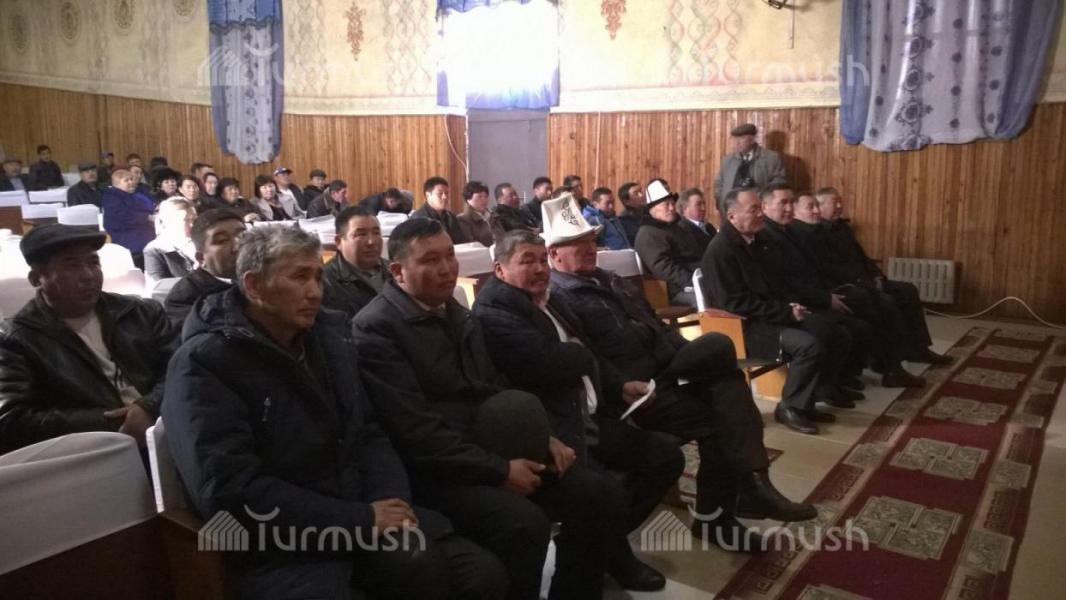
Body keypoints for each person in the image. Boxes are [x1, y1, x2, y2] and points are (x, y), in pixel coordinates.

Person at [163, 225, 506, 600]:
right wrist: (359, 520)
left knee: (481, 575)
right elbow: (229, 490)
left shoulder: (328, 337)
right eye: (299, 277)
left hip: (359, 507)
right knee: (414, 568)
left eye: (317, 277)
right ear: (254, 285)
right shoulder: (205, 363)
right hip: (283, 543)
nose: (315, 291)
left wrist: (390, 503)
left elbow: (370, 432)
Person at [353, 218, 627, 599]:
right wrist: (499, 470)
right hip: (434, 473)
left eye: (450, 256)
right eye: (430, 260)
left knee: (597, 493)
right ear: (398, 271)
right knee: (524, 524)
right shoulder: (376, 328)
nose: (447, 268)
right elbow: (414, 430)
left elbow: (491, 386)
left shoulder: (455, 312)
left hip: (487, 449)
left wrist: (542, 436)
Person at [545, 197, 817, 548]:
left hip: (668, 370)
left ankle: (742, 496)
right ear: (554, 253)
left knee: (723, 372)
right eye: (577, 243)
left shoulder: (611, 280)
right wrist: (621, 385)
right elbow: (586, 357)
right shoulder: (559, 297)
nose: (589, 248)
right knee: (723, 400)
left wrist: (682, 351)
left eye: (591, 240)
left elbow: (657, 325)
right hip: (637, 391)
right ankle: (734, 504)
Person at [474, 228, 681, 589]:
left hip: (587, 416)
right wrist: (578, 353)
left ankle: (605, 543)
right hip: (552, 428)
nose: (540, 269)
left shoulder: (549, 298)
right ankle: (599, 556)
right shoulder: (493, 311)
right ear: (500, 269)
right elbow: (552, 361)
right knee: (600, 495)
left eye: (542, 260)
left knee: (665, 457)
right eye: (527, 261)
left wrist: (618, 384)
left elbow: (588, 350)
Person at [0, 224, 177, 454]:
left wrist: (148, 407)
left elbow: (178, 369)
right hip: (93, 452)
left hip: (167, 426)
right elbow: (12, 420)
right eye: (71, 265)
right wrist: (114, 421)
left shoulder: (141, 312)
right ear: (36, 278)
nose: (88, 275)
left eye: (93, 262)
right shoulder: (16, 339)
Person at [702, 189, 855, 435]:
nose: (761, 214)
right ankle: (789, 407)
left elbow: (779, 284)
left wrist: (791, 306)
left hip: (771, 316)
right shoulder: (721, 251)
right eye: (753, 210)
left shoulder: (760, 240)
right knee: (809, 346)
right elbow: (735, 304)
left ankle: (809, 400)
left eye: (760, 208)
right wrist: (784, 313)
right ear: (732, 216)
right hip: (745, 326)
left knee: (835, 333)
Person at [759, 185, 882, 394]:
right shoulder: (767, 236)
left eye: (790, 203)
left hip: (808, 296)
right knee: (837, 331)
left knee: (861, 323)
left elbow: (812, 271)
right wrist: (824, 299)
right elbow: (785, 283)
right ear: (765, 206)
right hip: (791, 304)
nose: (788, 209)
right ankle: (826, 387)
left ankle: (842, 379)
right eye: (783, 203)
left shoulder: (789, 231)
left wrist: (826, 295)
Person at [812, 187, 951, 366]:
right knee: (886, 302)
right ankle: (890, 363)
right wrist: (865, 281)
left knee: (908, 290)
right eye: (834, 202)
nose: (840, 206)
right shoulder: (817, 233)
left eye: (840, 201)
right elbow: (831, 269)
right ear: (820, 206)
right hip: (849, 285)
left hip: (867, 280)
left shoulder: (843, 228)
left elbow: (862, 257)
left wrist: (877, 275)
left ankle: (918, 349)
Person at [164, 208, 245, 327]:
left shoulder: (264, 275)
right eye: (222, 240)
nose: (239, 245)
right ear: (201, 258)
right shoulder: (183, 298)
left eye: (243, 236)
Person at [634, 180, 706, 307]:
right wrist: (696, 282)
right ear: (652, 209)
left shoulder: (678, 227)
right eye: (666, 204)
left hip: (699, 278)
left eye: (672, 203)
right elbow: (665, 269)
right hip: (676, 289)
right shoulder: (648, 234)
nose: (672, 208)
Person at [322, 206, 391, 319]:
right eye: (361, 234)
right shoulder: (324, 280)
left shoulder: (394, 270)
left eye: (376, 233)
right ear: (338, 242)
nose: (371, 242)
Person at [712, 123, 787, 215]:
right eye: (734, 139)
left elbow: (779, 183)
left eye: (741, 138)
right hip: (730, 209)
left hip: (759, 209)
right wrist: (720, 200)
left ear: (752, 140)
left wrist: (763, 196)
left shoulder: (771, 158)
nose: (737, 143)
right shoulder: (727, 160)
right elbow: (719, 183)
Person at [102, 169, 157, 269]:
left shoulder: (136, 194)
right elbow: (123, 216)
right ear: (117, 183)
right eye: (126, 180)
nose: (131, 182)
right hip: (125, 234)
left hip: (142, 230)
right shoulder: (111, 197)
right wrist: (147, 217)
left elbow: (150, 207)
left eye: (131, 179)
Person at [143, 198, 197, 285]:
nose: (192, 225)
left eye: (194, 219)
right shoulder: (154, 250)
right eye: (186, 220)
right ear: (169, 221)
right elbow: (160, 286)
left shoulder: (201, 243)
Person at [409, 176, 470, 244]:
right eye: (440, 193)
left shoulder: (450, 217)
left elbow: (461, 241)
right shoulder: (419, 218)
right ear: (428, 195)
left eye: (446, 193)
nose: (445, 197)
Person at [457, 181, 494, 247]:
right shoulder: (463, 219)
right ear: (468, 199)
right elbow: (470, 244)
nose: (484, 199)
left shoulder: (493, 216)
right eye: (479, 196)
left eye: (486, 196)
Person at [615, 181, 645, 247]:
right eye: (636, 193)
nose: (642, 195)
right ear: (627, 201)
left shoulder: (651, 213)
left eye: (641, 191)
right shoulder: (623, 221)